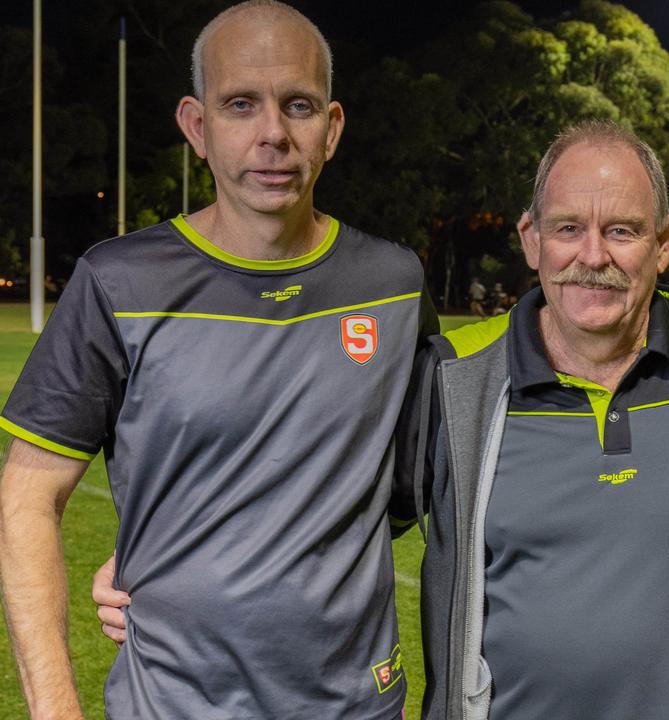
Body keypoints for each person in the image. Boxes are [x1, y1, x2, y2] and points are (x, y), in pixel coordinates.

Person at [0, 2, 436, 718]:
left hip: (355, 705)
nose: (273, 134)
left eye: (298, 105)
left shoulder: (392, 283)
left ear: (331, 130)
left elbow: (401, 487)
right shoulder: (120, 282)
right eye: (241, 104)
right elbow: (26, 496)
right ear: (197, 128)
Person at [390, 119, 669, 718]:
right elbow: (339, 541)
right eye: (568, 228)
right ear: (531, 237)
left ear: (665, 241)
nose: (592, 256)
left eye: (621, 230)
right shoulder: (450, 380)